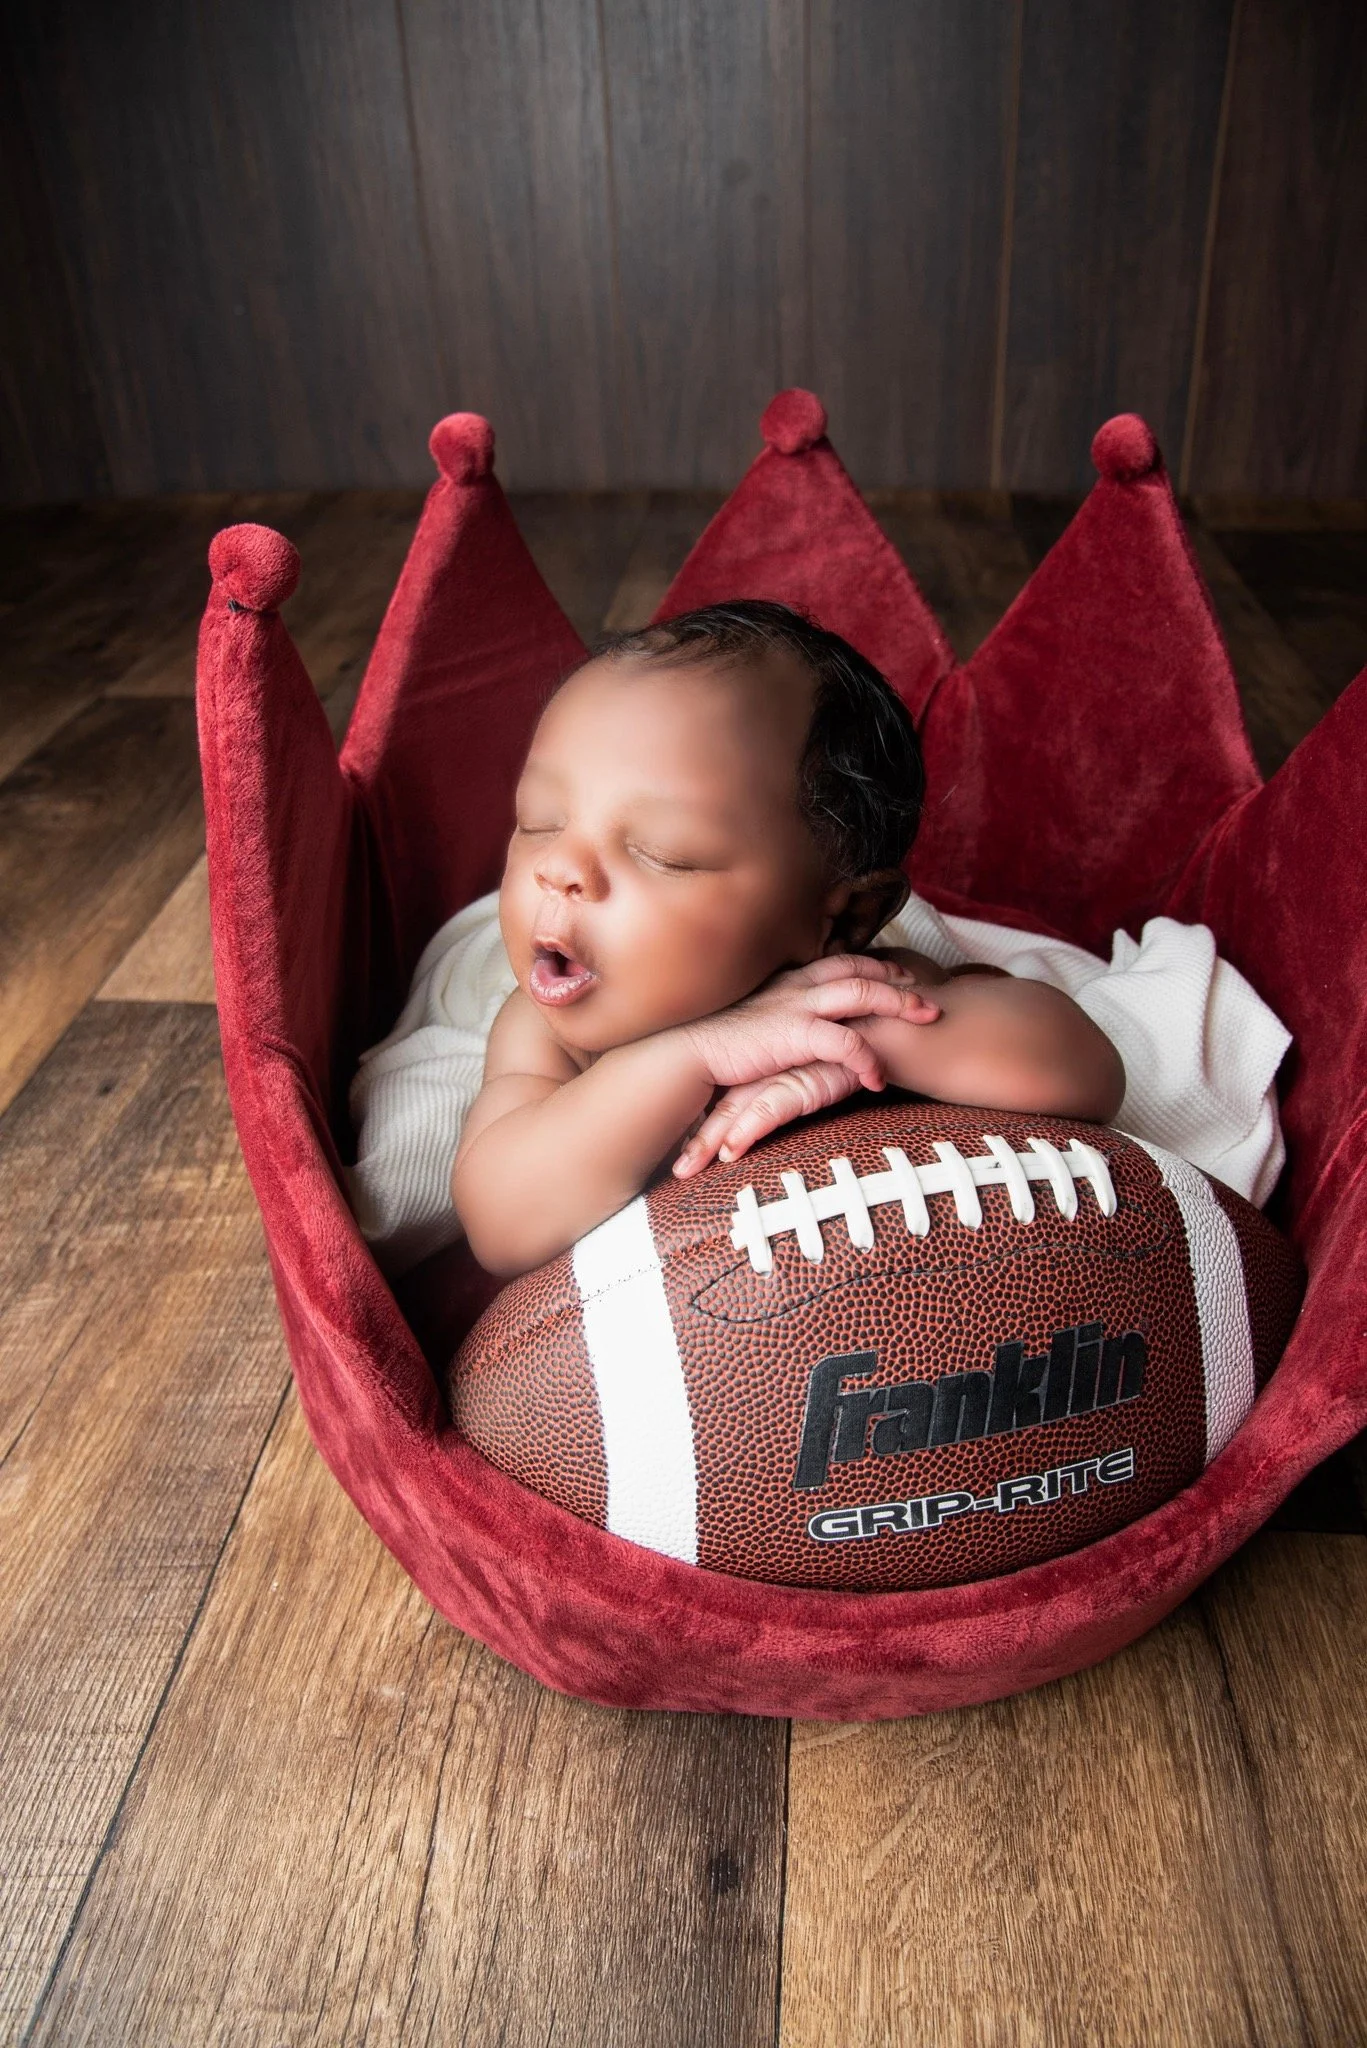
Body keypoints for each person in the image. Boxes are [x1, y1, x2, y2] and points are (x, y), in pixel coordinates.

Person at [450, 601, 1125, 1278]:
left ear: (841, 919)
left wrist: (851, 1041)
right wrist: (690, 1056)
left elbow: (1086, 1070)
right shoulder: (553, 1038)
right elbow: (502, 1221)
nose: (559, 870)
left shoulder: (847, 987)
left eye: (666, 853)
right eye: (538, 822)